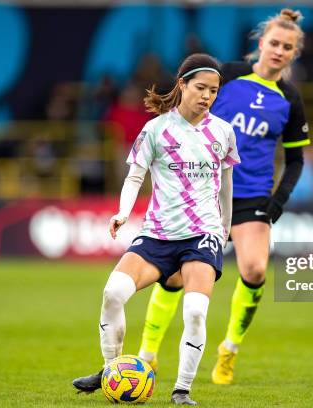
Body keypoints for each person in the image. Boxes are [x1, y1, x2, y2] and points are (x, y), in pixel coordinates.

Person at [137, 8, 310, 385]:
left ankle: (229, 350)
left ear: (294, 54)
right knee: (175, 279)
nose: (279, 51)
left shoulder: (289, 99)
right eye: (274, 43)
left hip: (251, 198)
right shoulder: (228, 76)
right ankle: (148, 354)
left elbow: (296, 160)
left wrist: (277, 201)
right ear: (260, 43)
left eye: (287, 47)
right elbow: (186, 111)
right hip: (202, 192)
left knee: (255, 270)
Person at [72, 53, 240, 406]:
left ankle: (182, 390)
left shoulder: (223, 132)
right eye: (200, 87)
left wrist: (225, 227)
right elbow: (136, 174)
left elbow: (226, 183)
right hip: (158, 235)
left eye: (214, 90)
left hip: (202, 235)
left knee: (194, 310)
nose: (207, 95)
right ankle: (109, 371)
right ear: (182, 85)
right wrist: (121, 212)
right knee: (112, 293)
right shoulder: (156, 129)